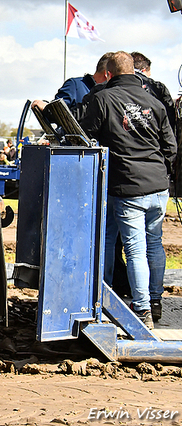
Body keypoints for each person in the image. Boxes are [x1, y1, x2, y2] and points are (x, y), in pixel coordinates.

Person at [79, 51, 177, 329]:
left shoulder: (102, 99)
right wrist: (162, 172)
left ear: (108, 74)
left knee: (133, 248)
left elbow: (86, 138)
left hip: (127, 186)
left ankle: (142, 309)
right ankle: (154, 301)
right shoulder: (154, 101)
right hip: (157, 185)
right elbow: (170, 146)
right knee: (154, 244)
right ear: (135, 71)